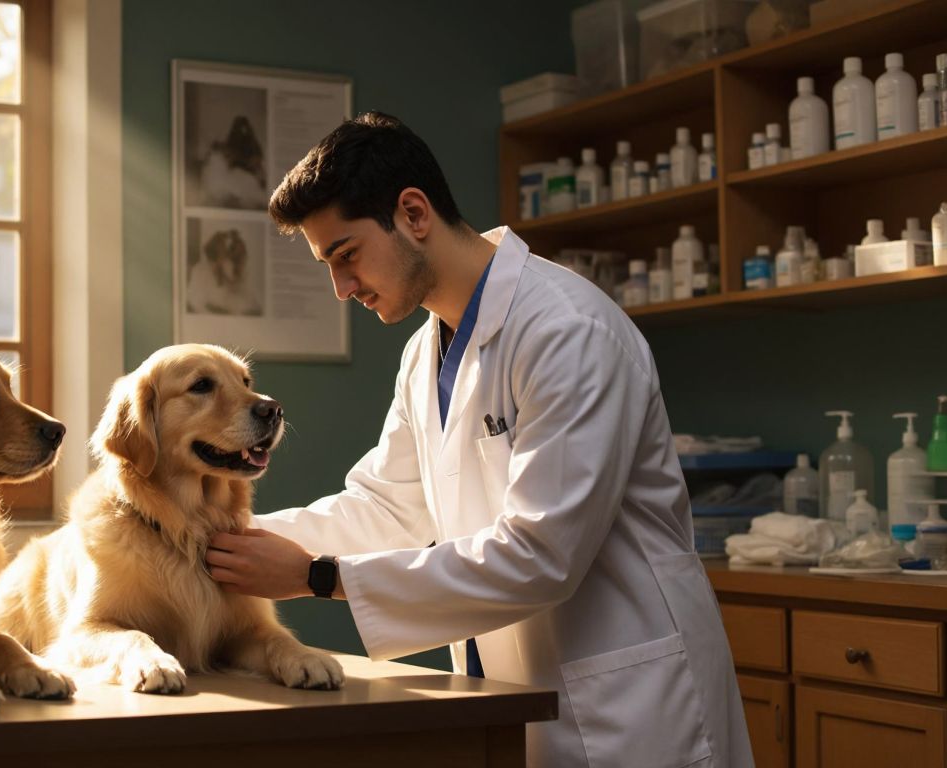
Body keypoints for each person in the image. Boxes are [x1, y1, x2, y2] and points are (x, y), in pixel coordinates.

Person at [204, 112, 753, 767]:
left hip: (634, 707)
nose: (342, 289)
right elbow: (387, 505)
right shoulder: (423, 352)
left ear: (413, 213)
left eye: (345, 256)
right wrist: (220, 543)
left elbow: (541, 555)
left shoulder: (567, 333)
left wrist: (317, 577)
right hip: (523, 698)